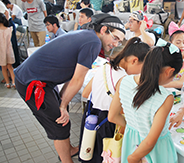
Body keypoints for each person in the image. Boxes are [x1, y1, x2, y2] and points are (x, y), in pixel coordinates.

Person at [14, 13, 126, 163]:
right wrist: (63, 105)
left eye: (119, 41)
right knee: (59, 124)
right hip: (32, 84)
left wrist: (62, 102)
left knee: (63, 120)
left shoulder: (88, 35)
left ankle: (70, 149)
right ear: (104, 29)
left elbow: (73, 76)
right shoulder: (93, 42)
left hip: (42, 81)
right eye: (115, 38)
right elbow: (78, 80)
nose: (116, 44)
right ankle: (66, 160)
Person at [108, 42, 183, 163]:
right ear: (170, 71)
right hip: (154, 152)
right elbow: (150, 141)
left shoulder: (123, 81)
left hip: (131, 143)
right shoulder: (165, 97)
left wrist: (132, 126)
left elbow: (112, 116)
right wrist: (133, 158)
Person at [79, 37, 150, 163]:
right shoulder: (124, 80)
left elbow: (85, 93)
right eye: (143, 69)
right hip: (107, 124)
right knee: (106, 155)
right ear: (134, 60)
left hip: (90, 117)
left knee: (89, 153)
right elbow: (117, 115)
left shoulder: (104, 67)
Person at [164, 21, 184, 89]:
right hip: (168, 87)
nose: (182, 46)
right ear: (170, 43)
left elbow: (181, 83)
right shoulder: (167, 55)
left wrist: (160, 85)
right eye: (178, 43)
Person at [0, 13, 15, 89]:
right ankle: (14, 82)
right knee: (10, 67)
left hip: (1, 52)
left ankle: (7, 83)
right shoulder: (9, 30)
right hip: (9, 50)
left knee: (3, 67)